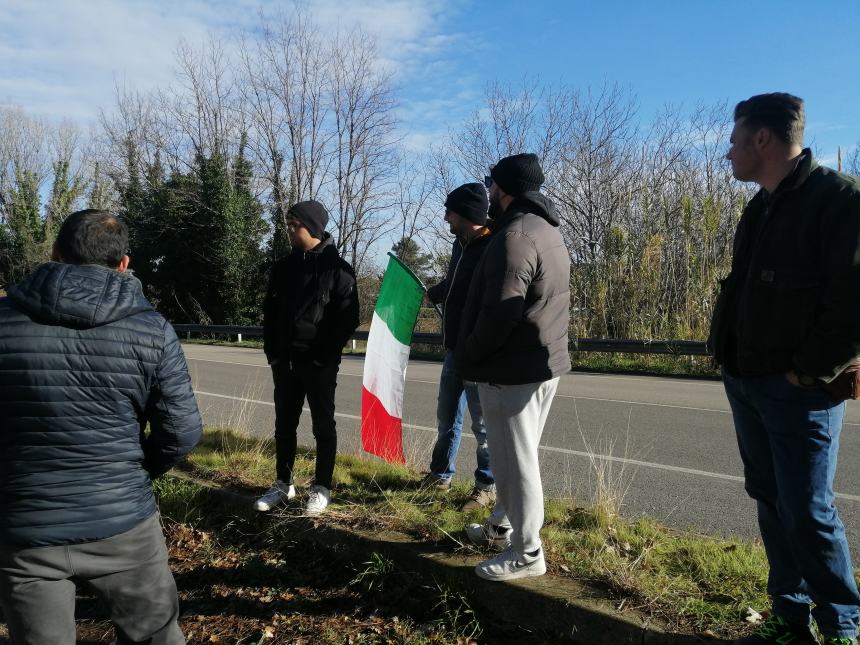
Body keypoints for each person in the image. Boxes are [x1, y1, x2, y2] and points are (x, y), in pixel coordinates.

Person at [0, 209, 203, 645]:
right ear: (124, 264)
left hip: (27, 529)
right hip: (124, 523)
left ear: (54, 253)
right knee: (156, 637)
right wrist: (132, 472)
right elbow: (182, 433)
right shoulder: (152, 329)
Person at [708, 93, 860, 645]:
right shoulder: (762, 205)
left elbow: (853, 303)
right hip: (747, 380)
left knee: (809, 511)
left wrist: (809, 371)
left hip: (799, 390)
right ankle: (790, 619)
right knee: (771, 502)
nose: (728, 152)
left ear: (762, 139)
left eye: (733, 140)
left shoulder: (837, 200)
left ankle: (842, 626)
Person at [457, 153, 571, 581]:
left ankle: (527, 552)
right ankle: (501, 526)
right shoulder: (546, 229)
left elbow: (500, 313)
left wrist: (470, 352)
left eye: (491, 184)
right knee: (516, 455)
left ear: (503, 190)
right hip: (539, 363)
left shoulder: (515, 236)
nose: (487, 191)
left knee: (514, 461)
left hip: (510, 369)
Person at [258, 200, 360, 516]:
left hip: (319, 365)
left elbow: (347, 320)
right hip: (284, 363)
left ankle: (321, 487)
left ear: (313, 228)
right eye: (287, 224)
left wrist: (322, 358)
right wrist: (273, 354)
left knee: (323, 427)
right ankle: (283, 483)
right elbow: (270, 313)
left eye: (295, 225)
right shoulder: (283, 268)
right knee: (284, 426)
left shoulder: (339, 271)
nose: (289, 230)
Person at [422, 183, 496, 511]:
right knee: (447, 415)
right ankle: (440, 476)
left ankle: (486, 486)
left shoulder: (495, 243)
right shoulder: (459, 243)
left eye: (449, 211)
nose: (445, 217)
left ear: (466, 214)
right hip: (454, 349)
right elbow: (455, 283)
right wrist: (431, 293)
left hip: (479, 352)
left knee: (483, 425)